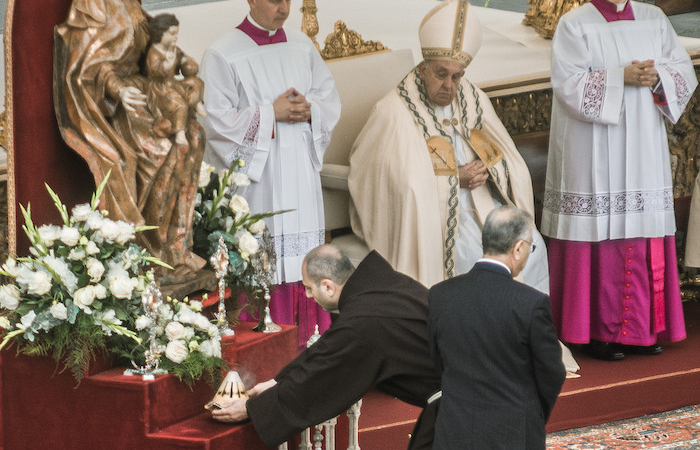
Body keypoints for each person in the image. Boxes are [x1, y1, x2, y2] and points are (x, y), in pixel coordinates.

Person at [348, 0, 549, 292]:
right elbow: (391, 184)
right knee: (475, 259)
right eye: (441, 74)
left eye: (457, 76)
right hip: (436, 216)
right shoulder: (394, 111)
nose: (449, 86)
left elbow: (510, 160)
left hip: (483, 206)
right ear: (423, 67)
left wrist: (491, 170)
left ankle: (520, 335)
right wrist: (455, 179)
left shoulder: (471, 97)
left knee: (532, 247)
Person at [541, 0, 697, 360]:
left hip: (643, 144)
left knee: (641, 229)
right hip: (593, 149)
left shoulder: (653, 18)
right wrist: (619, 77)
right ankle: (595, 331)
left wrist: (658, 76)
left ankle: (642, 328)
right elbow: (567, 85)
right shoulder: (573, 24)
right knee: (598, 229)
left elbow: (682, 71)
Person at [200, 0, 341, 346]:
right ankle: (266, 349)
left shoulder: (302, 45)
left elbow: (329, 100)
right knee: (264, 258)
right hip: (260, 181)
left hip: (300, 176)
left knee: (302, 259)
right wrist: (269, 113)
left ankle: (313, 348)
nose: (283, 7)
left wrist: (311, 110)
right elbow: (215, 123)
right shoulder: (221, 53)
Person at [211, 245, 441, 450]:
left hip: (456, 404)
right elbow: (330, 346)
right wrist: (278, 381)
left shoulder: (365, 319)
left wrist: (253, 409)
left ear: (328, 286)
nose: (308, 295)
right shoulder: (381, 286)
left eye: (309, 288)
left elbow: (322, 375)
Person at [54, 0, 209, 285]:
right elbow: (88, 69)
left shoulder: (131, 4)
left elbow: (155, 40)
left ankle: (176, 248)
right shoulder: (93, 7)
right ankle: (151, 249)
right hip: (116, 105)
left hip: (144, 89)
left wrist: (181, 63)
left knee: (195, 137)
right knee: (162, 150)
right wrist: (119, 89)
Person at [428, 206, 566, 449]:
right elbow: (552, 372)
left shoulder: (440, 295)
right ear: (518, 248)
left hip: (454, 429)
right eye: (530, 248)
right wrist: (530, 412)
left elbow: (437, 361)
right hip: (511, 433)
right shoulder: (532, 304)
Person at [145, 14, 206, 146]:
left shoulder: (173, 49)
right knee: (180, 104)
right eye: (172, 34)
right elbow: (155, 72)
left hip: (173, 84)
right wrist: (167, 65)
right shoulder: (154, 53)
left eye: (176, 33)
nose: (175, 37)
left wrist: (187, 62)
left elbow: (184, 60)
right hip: (160, 88)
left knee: (197, 82)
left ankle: (196, 102)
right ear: (160, 33)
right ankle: (179, 133)